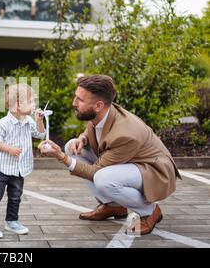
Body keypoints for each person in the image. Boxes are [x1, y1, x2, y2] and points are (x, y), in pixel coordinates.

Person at [39, 75, 181, 235]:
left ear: (98, 105)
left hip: (153, 170)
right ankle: (114, 205)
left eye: (80, 100)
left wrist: (61, 157)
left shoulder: (126, 134)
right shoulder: (103, 111)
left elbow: (95, 172)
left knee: (102, 179)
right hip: (129, 162)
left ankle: (150, 211)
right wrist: (82, 138)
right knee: (72, 147)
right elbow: (93, 128)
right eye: (75, 96)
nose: (74, 103)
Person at [0, 83, 45, 239]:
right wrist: (9, 149)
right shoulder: (3, 123)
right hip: (2, 168)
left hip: (18, 169)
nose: (34, 105)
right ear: (18, 105)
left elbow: (40, 134)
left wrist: (39, 120)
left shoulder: (28, 120)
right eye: (31, 102)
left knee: (15, 196)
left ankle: (11, 221)